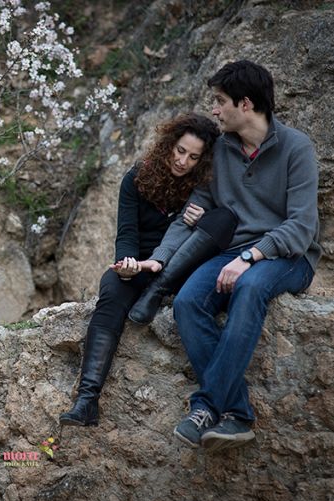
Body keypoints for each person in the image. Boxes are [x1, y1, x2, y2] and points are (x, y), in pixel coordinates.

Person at [136, 60, 321, 452]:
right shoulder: (220, 151)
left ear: (246, 104)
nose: (214, 110)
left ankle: (204, 407)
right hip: (233, 253)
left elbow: (302, 227)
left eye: (220, 102)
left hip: (289, 257)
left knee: (250, 288)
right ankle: (236, 415)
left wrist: (252, 256)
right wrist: (160, 258)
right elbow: (192, 216)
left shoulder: (296, 148)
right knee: (187, 302)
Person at [59, 113, 238, 427]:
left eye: (194, 157)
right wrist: (127, 264)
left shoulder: (205, 187)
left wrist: (198, 221)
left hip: (182, 268)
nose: (183, 161)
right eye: (180, 150)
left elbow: (218, 229)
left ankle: (158, 291)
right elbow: (126, 232)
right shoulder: (137, 177)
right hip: (141, 264)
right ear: (169, 144)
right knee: (111, 292)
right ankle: (87, 400)